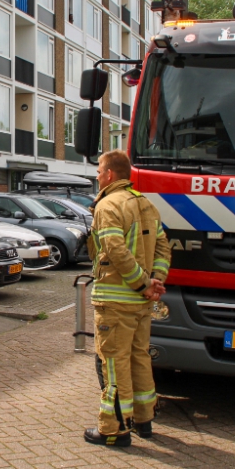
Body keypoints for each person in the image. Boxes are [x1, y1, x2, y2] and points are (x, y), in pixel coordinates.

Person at [84, 150, 171, 447]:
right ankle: (144, 421)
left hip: (117, 302)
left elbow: (114, 249)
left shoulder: (108, 205)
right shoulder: (147, 204)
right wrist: (155, 282)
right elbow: (163, 248)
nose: (96, 176)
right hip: (142, 305)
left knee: (113, 362)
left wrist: (142, 284)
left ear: (110, 175)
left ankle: (114, 429)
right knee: (139, 359)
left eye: (98, 171)